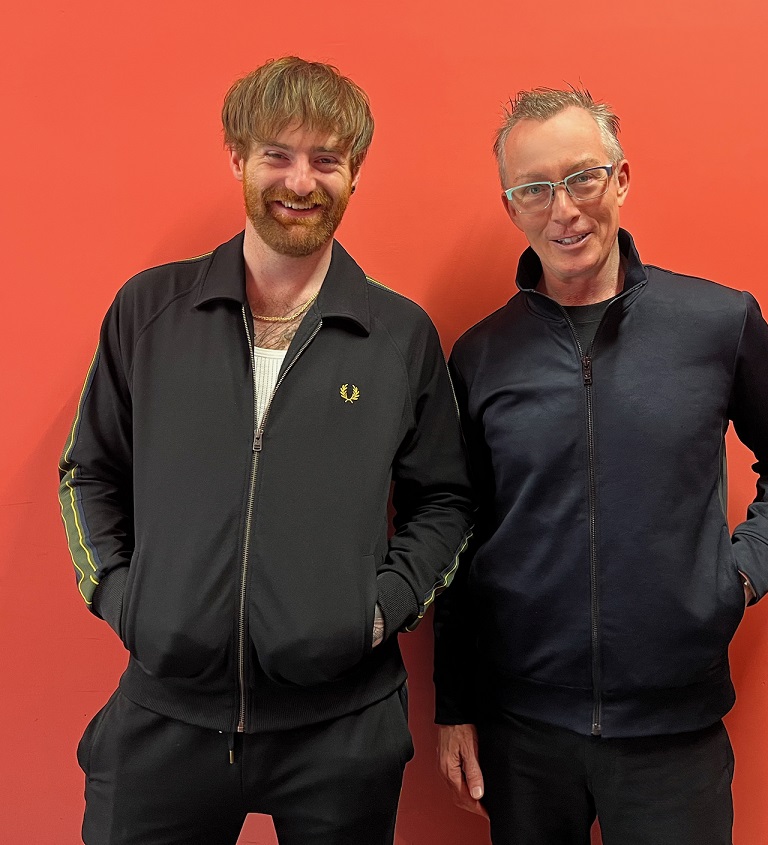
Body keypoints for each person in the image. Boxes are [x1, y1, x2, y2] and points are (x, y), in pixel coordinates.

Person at [59, 56, 472, 845]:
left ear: (356, 172)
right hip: (165, 715)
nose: (301, 181)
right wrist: (121, 594)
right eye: (277, 154)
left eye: (327, 159)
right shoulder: (149, 312)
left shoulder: (399, 336)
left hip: (341, 727)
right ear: (237, 158)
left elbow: (445, 499)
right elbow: (88, 470)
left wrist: (380, 610)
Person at [434, 87, 768, 845]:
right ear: (511, 206)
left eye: (582, 177)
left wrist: (738, 574)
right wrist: (454, 703)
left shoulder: (718, 322)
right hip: (524, 736)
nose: (564, 210)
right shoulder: (480, 354)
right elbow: (459, 531)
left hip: (674, 733)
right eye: (534, 189)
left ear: (620, 178)